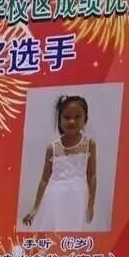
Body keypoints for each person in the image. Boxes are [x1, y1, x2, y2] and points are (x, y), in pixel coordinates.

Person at [22, 95, 97, 231]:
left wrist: (91, 204)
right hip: (54, 200)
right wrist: (35, 208)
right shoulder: (52, 148)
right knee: (54, 232)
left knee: (74, 234)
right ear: (60, 120)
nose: (72, 121)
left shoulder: (89, 144)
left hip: (78, 199)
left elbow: (91, 176)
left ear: (85, 119)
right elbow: (44, 180)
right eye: (67, 117)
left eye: (77, 116)